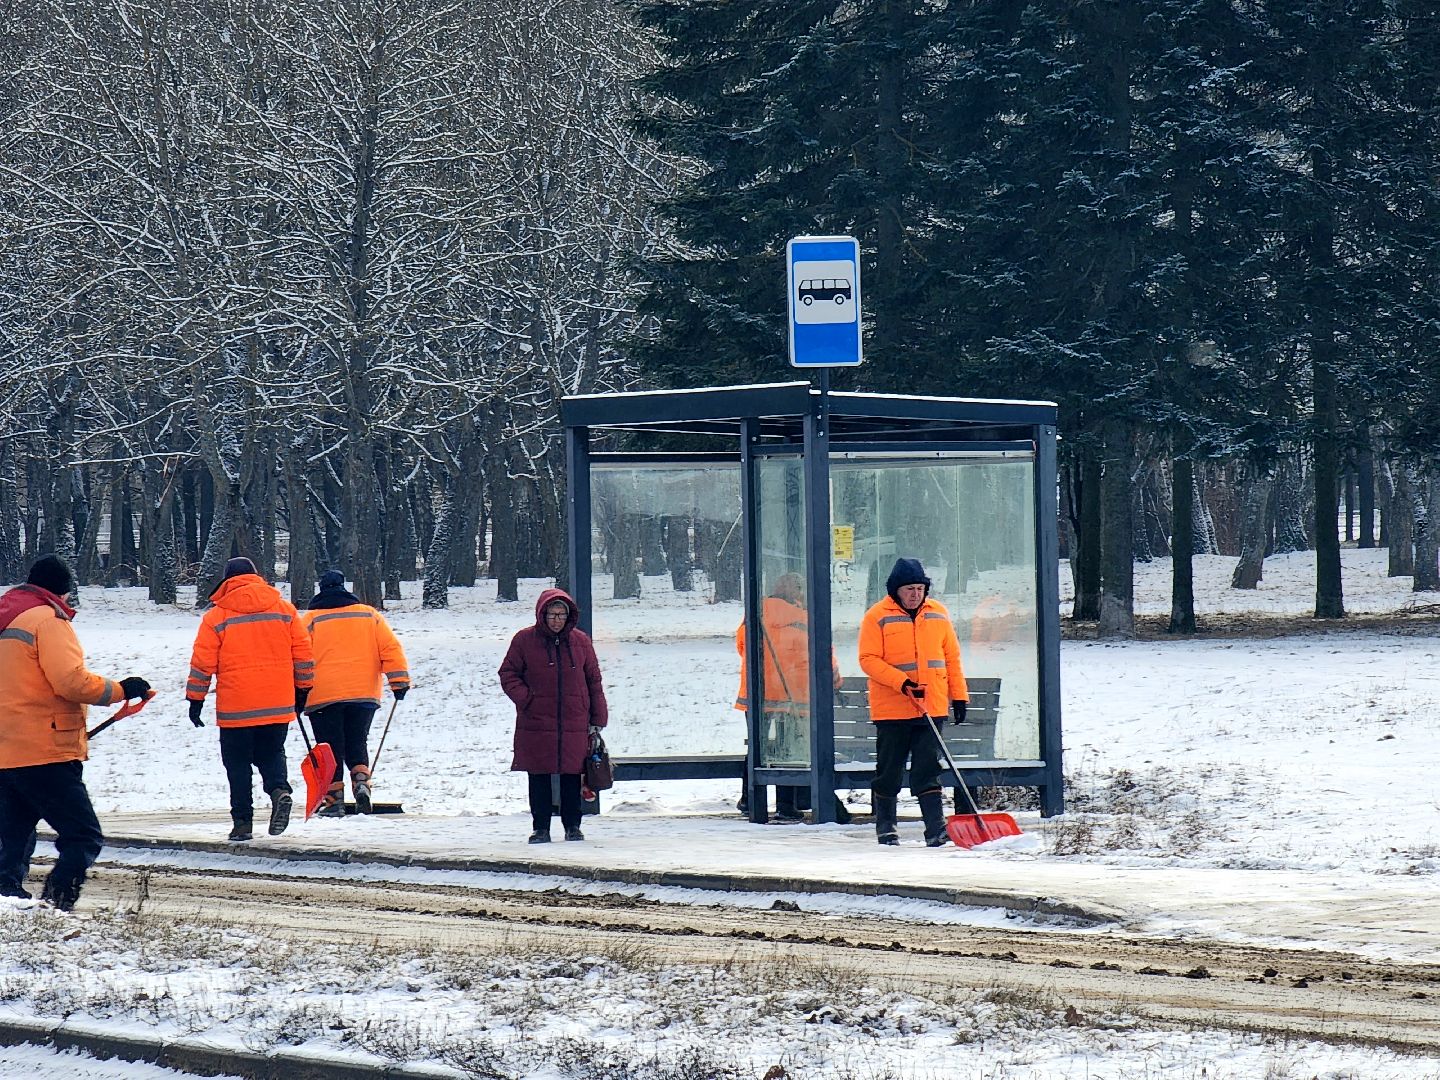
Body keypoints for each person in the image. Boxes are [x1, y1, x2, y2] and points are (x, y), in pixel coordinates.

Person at [0, 554, 150, 909]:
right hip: (44, 748)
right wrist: (120, 690)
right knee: (82, 835)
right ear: (61, 592)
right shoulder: (47, 620)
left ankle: (8, 901)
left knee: (14, 835)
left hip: (6, 749)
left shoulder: (7, 618)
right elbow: (70, 682)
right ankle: (57, 904)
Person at [186, 557, 314, 842]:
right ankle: (279, 790)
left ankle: (242, 822)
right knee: (272, 752)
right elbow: (303, 653)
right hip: (277, 702)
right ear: (256, 576)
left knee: (237, 763)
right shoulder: (285, 610)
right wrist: (303, 689)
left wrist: (196, 699)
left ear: (227, 580)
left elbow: (202, 663)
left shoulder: (216, 617)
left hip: (236, 707)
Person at [858, 557, 968, 846]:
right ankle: (886, 827)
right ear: (896, 590)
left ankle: (936, 829)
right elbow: (868, 660)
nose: (915, 594)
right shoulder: (876, 616)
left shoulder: (939, 614)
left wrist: (959, 696)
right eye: (909, 589)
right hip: (892, 709)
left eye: (919, 588)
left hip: (931, 707)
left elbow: (951, 659)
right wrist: (902, 683)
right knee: (889, 770)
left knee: (928, 768)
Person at [733, 572, 847, 822]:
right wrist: (835, 680)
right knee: (789, 748)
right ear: (796, 592)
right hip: (791, 694)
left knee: (759, 746)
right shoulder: (804, 618)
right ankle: (787, 804)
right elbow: (824, 654)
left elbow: (742, 646)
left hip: (758, 694)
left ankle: (749, 799)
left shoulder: (756, 612)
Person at [498, 588, 608, 844]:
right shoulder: (524, 640)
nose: (557, 619)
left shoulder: (581, 641)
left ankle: (573, 825)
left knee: (572, 773)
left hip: (574, 718)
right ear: (542, 614)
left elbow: (593, 679)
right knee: (539, 774)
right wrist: (527, 699)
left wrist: (598, 715)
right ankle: (541, 828)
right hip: (536, 719)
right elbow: (508, 673)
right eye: (552, 614)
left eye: (561, 614)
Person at [300, 570, 411, 815]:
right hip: (363, 692)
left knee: (329, 747)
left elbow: (298, 655)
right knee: (357, 740)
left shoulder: (310, 620)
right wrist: (399, 681)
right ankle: (361, 781)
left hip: (323, 695)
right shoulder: (369, 615)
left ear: (321, 589)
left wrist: (296, 689)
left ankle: (334, 798)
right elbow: (390, 648)